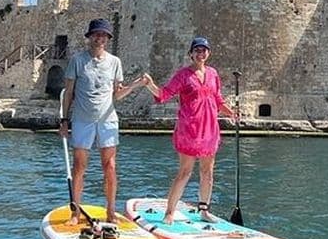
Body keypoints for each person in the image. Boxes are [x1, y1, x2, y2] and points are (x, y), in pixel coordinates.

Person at [58, 18, 146, 225]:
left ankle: (111, 211)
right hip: (82, 120)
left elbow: (117, 94)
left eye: (104, 35)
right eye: (97, 34)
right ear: (90, 37)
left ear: (107, 38)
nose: (100, 38)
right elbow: (68, 93)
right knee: (79, 167)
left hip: (108, 121)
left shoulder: (115, 62)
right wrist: (64, 120)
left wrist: (135, 85)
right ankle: (75, 213)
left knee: (110, 166)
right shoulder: (77, 60)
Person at [141, 36, 236, 224]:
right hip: (189, 129)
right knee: (185, 171)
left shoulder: (213, 74)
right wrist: (149, 85)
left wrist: (232, 113)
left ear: (208, 53)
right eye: (197, 50)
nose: (201, 54)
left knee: (208, 172)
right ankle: (169, 212)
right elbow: (164, 94)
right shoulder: (183, 75)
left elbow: (217, 99)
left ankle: (204, 211)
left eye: (204, 50)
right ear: (191, 54)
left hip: (209, 129)